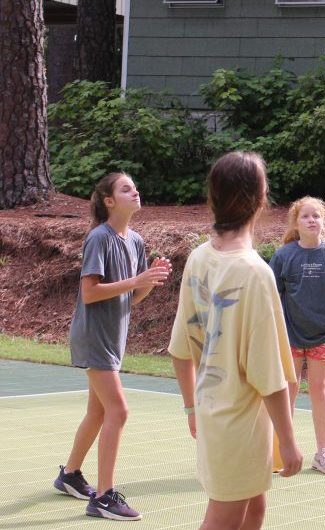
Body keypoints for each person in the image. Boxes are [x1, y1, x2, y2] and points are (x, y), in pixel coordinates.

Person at [169, 151, 303, 530]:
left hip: (216, 412)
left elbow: (180, 350)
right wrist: (288, 440)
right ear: (261, 199)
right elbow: (268, 373)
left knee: (254, 509)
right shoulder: (255, 272)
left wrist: (192, 408)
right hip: (237, 422)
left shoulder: (199, 258)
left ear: (213, 198)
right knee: (223, 519)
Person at [54, 172, 172, 521]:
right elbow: (90, 293)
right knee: (118, 411)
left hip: (112, 338)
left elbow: (131, 297)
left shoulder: (135, 241)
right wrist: (138, 279)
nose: (135, 192)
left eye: (135, 187)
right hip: (94, 338)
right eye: (126, 189)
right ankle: (103, 497)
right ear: (109, 201)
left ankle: (70, 475)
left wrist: (149, 280)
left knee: (99, 412)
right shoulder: (98, 238)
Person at [269, 196, 325, 476]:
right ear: (295, 223)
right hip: (289, 336)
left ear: (323, 220)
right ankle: (281, 453)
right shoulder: (283, 256)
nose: (311, 220)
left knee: (319, 390)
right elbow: (272, 300)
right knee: (288, 392)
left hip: (323, 335)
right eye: (305, 216)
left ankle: (322, 454)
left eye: (316, 215)